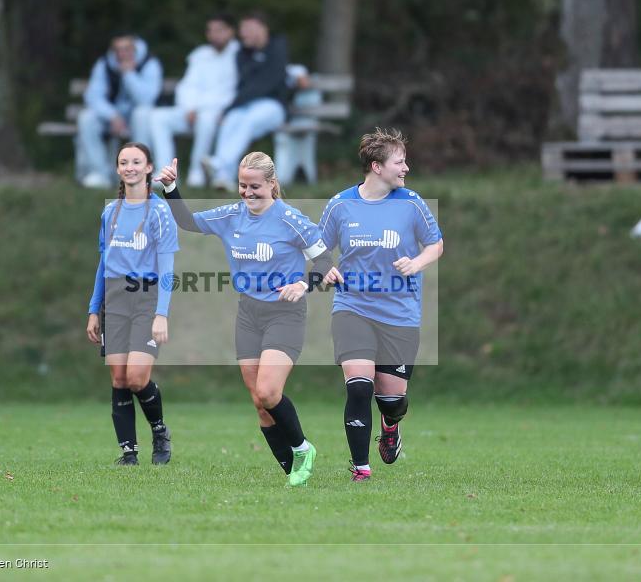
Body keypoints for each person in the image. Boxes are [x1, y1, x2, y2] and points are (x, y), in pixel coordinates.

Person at [155, 152, 331, 487]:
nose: (248, 193)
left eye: (255, 186)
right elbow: (188, 221)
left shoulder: (290, 220)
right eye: (242, 185)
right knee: (259, 403)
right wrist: (171, 188)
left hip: (285, 314)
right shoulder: (230, 216)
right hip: (249, 314)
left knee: (268, 391)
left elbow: (324, 260)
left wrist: (302, 285)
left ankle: (303, 448)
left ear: (271, 184)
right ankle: (293, 474)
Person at [318, 128, 444, 482]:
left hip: (399, 313)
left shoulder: (411, 203)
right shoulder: (340, 205)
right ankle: (361, 468)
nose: (406, 168)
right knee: (359, 386)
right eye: (399, 162)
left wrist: (416, 263)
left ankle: (391, 426)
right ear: (377, 166)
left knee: (392, 402)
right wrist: (324, 268)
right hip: (352, 308)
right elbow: (318, 248)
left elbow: (436, 244)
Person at [86, 142, 179, 465]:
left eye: (137, 162)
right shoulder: (110, 212)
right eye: (124, 162)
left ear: (149, 168)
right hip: (115, 300)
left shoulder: (159, 211)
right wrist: (94, 309)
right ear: (117, 169)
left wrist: (161, 314)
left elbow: (167, 268)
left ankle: (160, 431)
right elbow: (104, 263)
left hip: (146, 299)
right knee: (119, 378)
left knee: (137, 377)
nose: (130, 167)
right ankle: (129, 452)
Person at [146, 14, 239, 188]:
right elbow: (187, 86)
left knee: (206, 119)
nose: (214, 35)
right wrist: (190, 107)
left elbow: (230, 93)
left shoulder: (239, 56)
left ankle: (197, 172)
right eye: (210, 31)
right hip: (191, 111)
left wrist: (198, 108)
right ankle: (167, 173)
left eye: (219, 30)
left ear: (231, 31)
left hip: (219, 114)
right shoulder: (200, 55)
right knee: (158, 117)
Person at [201, 12, 288, 191]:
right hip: (247, 105)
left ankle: (219, 162)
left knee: (247, 121)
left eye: (248, 28)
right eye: (242, 29)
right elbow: (245, 86)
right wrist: (228, 111)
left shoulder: (277, 46)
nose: (243, 33)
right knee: (231, 120)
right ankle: (223, 178)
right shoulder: (242, 53)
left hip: (273, 107)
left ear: (262, 29)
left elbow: (265, 85)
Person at [76, 34, 163, 189]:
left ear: (134, 50)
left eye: (127, 49)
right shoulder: (104, 64)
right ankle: (99, 173)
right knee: (86, 118)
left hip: (137, 120)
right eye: (118, 50)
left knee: (142, 114)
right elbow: (93, 96)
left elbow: (147, 99)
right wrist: (112, 116)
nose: (122, 54)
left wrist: (129, 74)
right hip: (112, 118)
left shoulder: (150, 64)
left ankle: (139, 174)